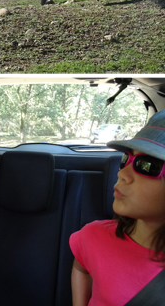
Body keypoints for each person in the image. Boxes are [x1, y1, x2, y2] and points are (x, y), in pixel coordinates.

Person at [70, 110, 165, 306]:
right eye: (125, 159)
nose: (122, 174)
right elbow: (81, 268)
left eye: (147, 165)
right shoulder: (93, 236)